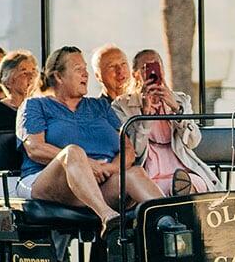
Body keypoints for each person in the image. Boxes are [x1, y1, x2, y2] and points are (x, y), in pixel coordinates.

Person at [17, 46, 164, 236]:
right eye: (78, 69)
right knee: (73, 152)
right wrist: (87, 164)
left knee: (135, 173)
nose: (85, 74)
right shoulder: (35, 105)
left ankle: (174, 223)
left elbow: (127, 149)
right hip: (46, 181)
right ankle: (108, 218)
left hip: (99, 182)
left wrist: (108, 169)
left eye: (85, 69)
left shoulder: (100, 106)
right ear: (58, 77)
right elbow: (35, 148)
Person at [113, 49, 221, 196]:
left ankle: (181, 192)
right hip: (149, 172)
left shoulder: (180, 99)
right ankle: (179, 196)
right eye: (146, 68)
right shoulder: (122, 105)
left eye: (157, 67)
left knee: (188, 182)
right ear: (135, 75)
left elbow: (193, 141)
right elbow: (135, 151)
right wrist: (145, 114)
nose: (152, 73)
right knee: (160, 189)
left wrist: (176, 109)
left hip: (182, 168)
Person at [0, 50, 37, 132]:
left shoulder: (39, 106)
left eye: (33, 72)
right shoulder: (0, 111)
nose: (31, 77)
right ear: (8, 80)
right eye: (24, 73)